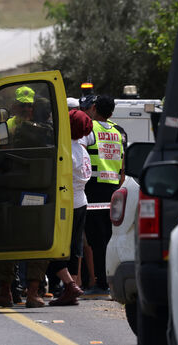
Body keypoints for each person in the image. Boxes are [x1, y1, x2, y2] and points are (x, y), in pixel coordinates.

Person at [48, 109, 93, 306]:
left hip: (67, 203)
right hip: (81, 201)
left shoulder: (66, 151)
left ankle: (69, 285)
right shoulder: (82, 149)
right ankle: (71, 285)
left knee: (55, 245)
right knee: (74, 246)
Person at [81, 94, 124, 294]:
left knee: (97, 240)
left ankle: (101, 284)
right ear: (112, 112)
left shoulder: (90, 129)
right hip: (114, 189)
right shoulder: (118, 132)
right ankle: (110, 280)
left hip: (94, 189)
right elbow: (122, 165)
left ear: (94, 108)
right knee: (109, 238)